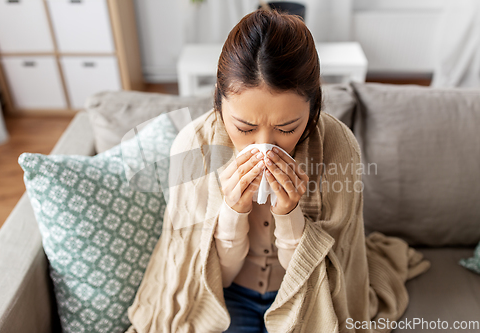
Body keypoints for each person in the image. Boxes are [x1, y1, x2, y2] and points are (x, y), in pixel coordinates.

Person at [125, 9, 430, 333]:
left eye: (287, 127)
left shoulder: (339, 145)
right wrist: (232, 210)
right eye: (244, 126)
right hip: (228, 296)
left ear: (313, 108)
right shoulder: (194, 146)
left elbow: (328, 278)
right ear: (218, 101)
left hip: (306, 295)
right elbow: (212, 278)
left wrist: (290, 215)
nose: (265, 144)